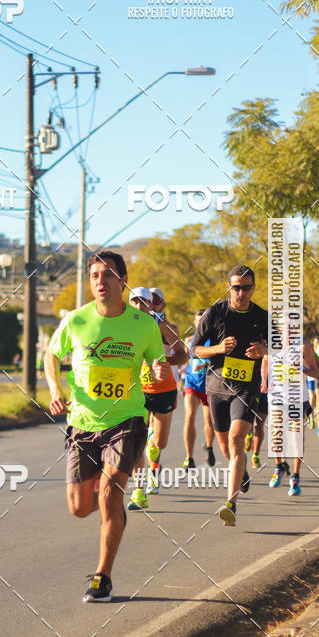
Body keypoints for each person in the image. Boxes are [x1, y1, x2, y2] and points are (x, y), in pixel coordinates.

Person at [44, 251, 170, 602]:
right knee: (80, 507)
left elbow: (157, 361)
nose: (100, 281)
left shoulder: (143, 325)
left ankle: (103, 577)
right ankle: (110, 509)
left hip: (125, 419)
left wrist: (159, 370)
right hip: (82, 422)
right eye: (95, 275)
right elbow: (51, 354)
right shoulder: (76, 320)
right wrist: (55, 389)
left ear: (122, 280)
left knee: (110, 492)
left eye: (108, 275)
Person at [191, 265, 269, 527]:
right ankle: (241, 468)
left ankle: (230, 504)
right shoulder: (215, 312)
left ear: (253, 288)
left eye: (246, 287)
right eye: (236, 286)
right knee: (226, 448)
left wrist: (264, 348)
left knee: (237, 440)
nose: (241, 292)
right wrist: (217, 348)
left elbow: (281, 348)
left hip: (246, 388)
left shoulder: (261, 315)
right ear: (229, 287)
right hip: (216, 388)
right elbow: (194, 349)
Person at [126, 287, 186, 509]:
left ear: (151, 305)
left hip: (163, 390)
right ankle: (139, 492)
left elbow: (182, 355)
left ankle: (154, 448)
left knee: (159, 442)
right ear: (130, 303)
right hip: (136, 391)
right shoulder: (124, 325)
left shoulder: (162, 327)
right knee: (135, 442)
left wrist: (162, 363)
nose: (140, 306)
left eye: (144, 302)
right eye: (135, 301)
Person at [267, 338, 319, 495]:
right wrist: (264, 381)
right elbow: (265, 360)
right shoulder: (272, 343)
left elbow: (317, 371)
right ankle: (279, 467)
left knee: (296, 439)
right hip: (277, 397)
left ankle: (296, 477)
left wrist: (301, 370)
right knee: (276, 434)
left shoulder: (304, 346)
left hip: (298, 398)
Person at [182, 309, 216, 470]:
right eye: (197, 320)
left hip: (209, 385)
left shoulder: (214, 339)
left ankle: (209, 447)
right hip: (192, 384)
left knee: (209, 421)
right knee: (189, 416)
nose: (199, 322)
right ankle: (189, 457)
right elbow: (184, 360)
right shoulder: (189, 340)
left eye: (202, 319)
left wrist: (208, 364)